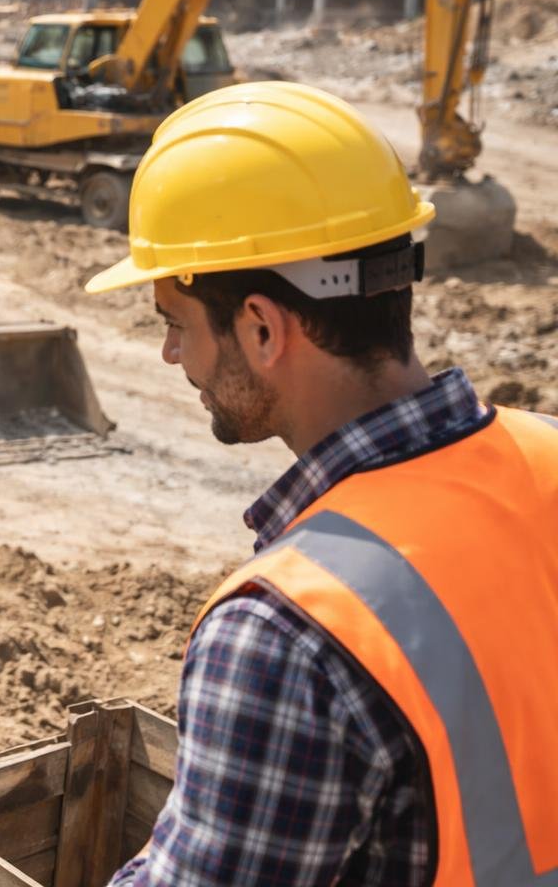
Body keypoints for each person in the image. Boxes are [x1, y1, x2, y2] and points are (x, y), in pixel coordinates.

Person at [85, 81, 558, 886]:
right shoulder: (545, 450)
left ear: (263, 328)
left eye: (175, 323)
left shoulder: (285, 637)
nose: (174, 358)